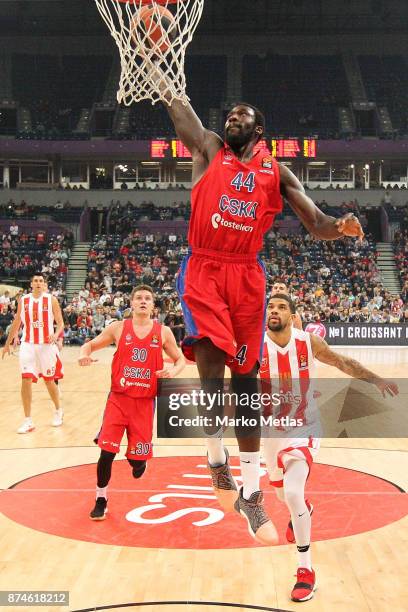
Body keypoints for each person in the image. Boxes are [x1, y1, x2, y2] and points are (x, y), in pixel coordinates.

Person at [153, 65, 364, 539]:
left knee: (245, 382)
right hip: (205, 267)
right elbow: (180, 112)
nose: (232, 118)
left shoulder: (277, 172)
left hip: (247, 274)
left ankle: (251, 493)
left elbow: (316, 221)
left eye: (241, 115)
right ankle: (215, 457)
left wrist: (340, 227)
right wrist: (161, 66)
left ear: (259, 128)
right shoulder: (209, 148)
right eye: (229, 114)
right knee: (210, 372)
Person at [260, 294, 398, 602]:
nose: (275, 311)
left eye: (282, 307)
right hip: (271, 432)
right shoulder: (255, 344)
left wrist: (376, 380)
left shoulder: (307, 342)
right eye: (271, 306)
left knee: (293, 492)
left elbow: (343, 362)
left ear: (292, 315)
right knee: (284, 496)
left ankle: (305, 569)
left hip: (304, 426)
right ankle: (304, 510)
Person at [78, 284, 185, 520]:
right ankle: (101, 498)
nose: (143, 301)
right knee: (106, 452)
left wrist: (173, 372)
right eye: (139, 298)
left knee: (136, 462)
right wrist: (84, 354)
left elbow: (180, 359)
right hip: (118, 399)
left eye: (148, 298)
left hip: (145, 403)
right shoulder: (118, 328)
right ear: (132, 303)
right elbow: (90, 344)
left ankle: (139, 462)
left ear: (153, 305)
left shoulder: (163, 332)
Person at [1, 273, 64, 433]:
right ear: (31, 283)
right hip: (27, 344)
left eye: (41, 281)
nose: (38, 283)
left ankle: (58, 410)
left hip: (46, 346)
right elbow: (17, 322)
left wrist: (56, 336)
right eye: (35, 280)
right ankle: (28, 420)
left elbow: (61, 322)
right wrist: (7, 344)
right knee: (26, 379)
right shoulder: (24, 300)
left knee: (49, 381)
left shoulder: (52, 300)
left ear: (44, 284)